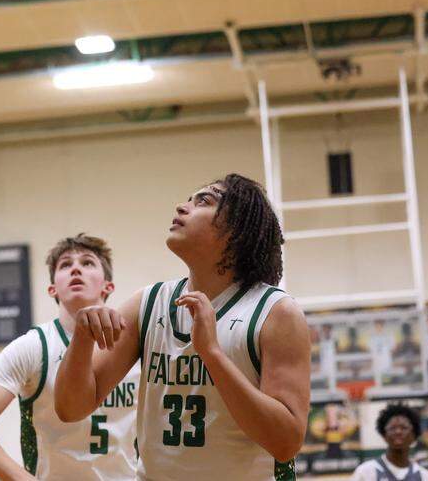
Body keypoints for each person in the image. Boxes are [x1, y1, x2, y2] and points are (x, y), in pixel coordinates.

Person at [54, 174, 311, 481]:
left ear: (237, 228)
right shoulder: (147, 303)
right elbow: (71, 409)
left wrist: (212, 354)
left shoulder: (276, 312)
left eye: (203, 200)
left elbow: (285, 443)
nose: (181, 207)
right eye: (189, 199)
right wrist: (82, 340)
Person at [0, 234, 139, 480]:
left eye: (87, 263)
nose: (75, 269)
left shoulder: (134, 344)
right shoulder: (33, 346)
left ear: (108, 285)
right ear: (53, 288)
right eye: (65, 265)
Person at [350, 404, 428, 481]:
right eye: (392, 428)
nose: (398, 432)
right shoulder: (366, 472)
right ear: (384, 435)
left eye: (404, 428)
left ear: (414, 435)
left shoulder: (425, 476)